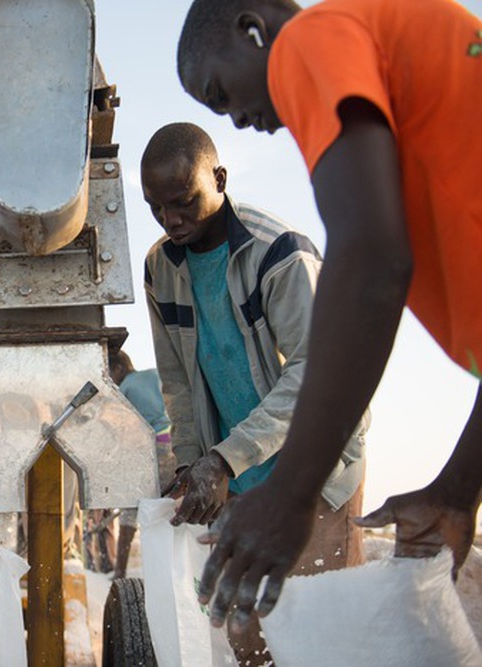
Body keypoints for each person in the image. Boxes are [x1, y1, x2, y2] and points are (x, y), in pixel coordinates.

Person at [176, 0, 482, 631]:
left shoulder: (312, 39)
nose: (235, 117)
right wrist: (455, 491)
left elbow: (371, 261)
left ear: (252, 29)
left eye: (219, 92)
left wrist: (291, 494)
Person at [141, 122, 368, 664]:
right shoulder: (159, 268)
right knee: (250, 637)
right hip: (238, 482)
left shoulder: (279, 253)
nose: (171, 220)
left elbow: (317, 374)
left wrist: (222, 461)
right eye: (156, 207)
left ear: (219, 177)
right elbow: (176, 377)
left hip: (313, 475)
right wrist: (194, 462)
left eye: (183, 201)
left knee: (317, 635)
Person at [108, 349, 171, 579]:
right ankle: (169, 565)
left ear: (118, 368)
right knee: (168, 503)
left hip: (149, 447)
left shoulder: (124, 389)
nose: (110, 381)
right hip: (173, 441)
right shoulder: (154, 374)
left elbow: (118, 428)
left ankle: (120, 570)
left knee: (130, 506)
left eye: (109, 374)